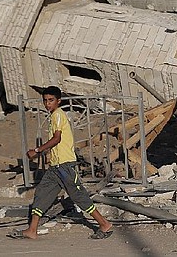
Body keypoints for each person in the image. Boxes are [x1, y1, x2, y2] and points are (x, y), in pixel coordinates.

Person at [8, 86, 113, 240]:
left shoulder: (58, 115)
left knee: (78, 196)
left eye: (50, 100)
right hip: (55, 168)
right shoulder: (52, 117)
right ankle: (32, 230)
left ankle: (104, 224)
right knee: (41, 195)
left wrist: (37, 151)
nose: (47, 104)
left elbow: (57, 139)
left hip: (65, 166)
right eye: (45, 101)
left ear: (58, 101)